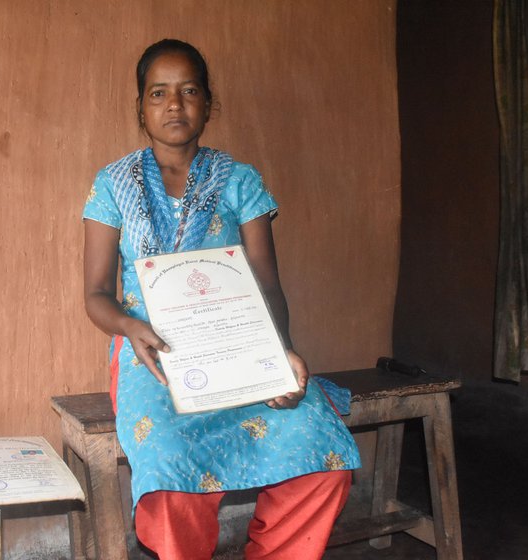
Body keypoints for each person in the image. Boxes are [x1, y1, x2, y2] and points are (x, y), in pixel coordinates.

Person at [82, 38, 360, 560]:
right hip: (153, 355)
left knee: (322, 456)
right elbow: (96, 295)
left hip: (241, 343)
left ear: (208, 103)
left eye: (189, 91)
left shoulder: (240, 181)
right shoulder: (112, 186)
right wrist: (128, 327)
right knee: (168, 474)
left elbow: (267, 284)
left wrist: (280, 353)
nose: (174, 104)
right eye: (158, 92)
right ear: (140, 108)